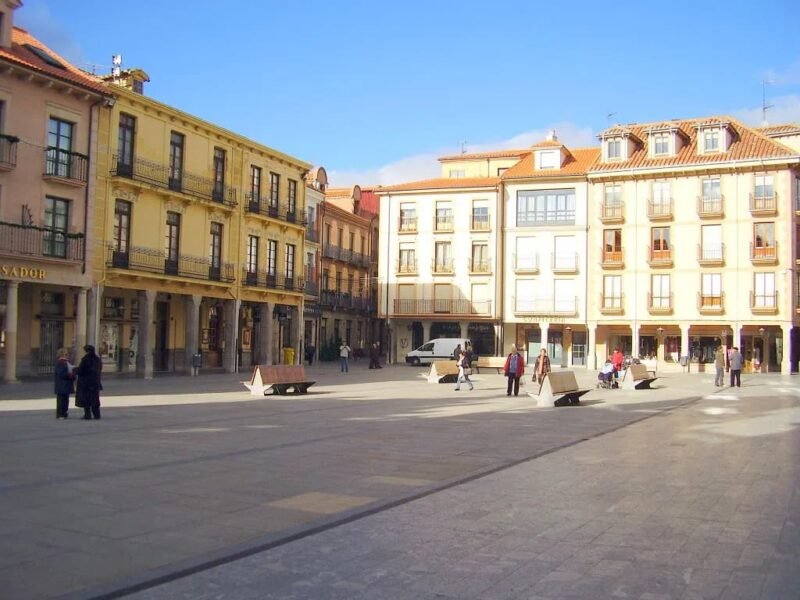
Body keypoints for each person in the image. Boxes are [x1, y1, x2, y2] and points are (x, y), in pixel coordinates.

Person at [76, 345, 103, 420]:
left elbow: (81, 370)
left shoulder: (85, 359)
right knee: (95, 399)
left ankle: (87, 415)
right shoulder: (97, 359)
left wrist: (75, 370)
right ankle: (97, 414)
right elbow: (100, 369)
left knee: (87, 399)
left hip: (87, 383)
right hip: (96, 382)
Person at [54, 347, 75, 419]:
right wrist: (71, 375)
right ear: (61, 355)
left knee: (65, 400)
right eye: (65, 354)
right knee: (61, 400)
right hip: (62, 384)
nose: (67, 355)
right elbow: (62, 374)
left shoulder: (65, 362)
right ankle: (60, 413)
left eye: (67, 354)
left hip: (65, 384)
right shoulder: (61, 363)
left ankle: (64, 412)